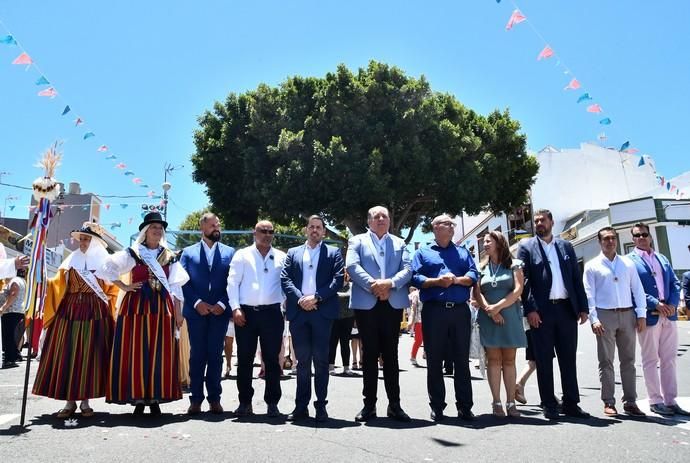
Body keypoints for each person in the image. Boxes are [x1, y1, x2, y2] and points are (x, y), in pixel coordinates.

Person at [102, 212, 189, 415]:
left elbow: (176, 287)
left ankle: (155, 397)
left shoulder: (170, 256)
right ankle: (139, 397)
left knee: (159, 351)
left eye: (160, 228)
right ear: (145, 231)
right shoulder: (133, 253)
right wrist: (124, 285)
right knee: (137, 350)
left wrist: (178, 313)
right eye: (153, 228)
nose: (157, 231)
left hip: (160, 308)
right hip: (136, 308)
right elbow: (107, 267)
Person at [32, 223, 117, 417]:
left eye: (87, 239)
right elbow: (57, 284)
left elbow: (114, 290)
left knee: (89, 355)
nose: (83, 242)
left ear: (95, 242)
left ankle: (85, 402)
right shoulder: (71, 261)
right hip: (69, 312)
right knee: (68, 353)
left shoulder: (105, 263)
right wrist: (41, 278)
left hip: (95, 313)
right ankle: (69, 402)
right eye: (81, 239)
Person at [517, 209, 590, 420]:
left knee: (568, 359)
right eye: (536, 221)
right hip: (541, 313)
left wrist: (583, 307)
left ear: (551, 222)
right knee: (543, 359)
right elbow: (525, 282)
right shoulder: (526, 247)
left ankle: (571, 403)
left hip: (566, 310)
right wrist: (530, 309)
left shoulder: (565, 246)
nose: (539, 223)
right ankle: (548, 403)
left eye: (543, 220)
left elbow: (576, 278)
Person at [346, 205, 412, 422]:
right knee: (370, 354)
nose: (381, 219)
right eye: (376, 216)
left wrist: (389, 284)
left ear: (390, 220)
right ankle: (369, 405)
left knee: (391, 355)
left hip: (392, 303)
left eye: (385, 216)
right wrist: (374, 286)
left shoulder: (400, 242)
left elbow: (408, 269)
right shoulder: (357, 241)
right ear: (369, 221)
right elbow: (353, 266)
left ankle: (395, 405)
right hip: (367, 303)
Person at [411, 214, 479, 422]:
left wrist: (456, 279)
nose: (451, 227)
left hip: (459, 310)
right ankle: (437, 406)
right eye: (447, 224)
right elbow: (415, 277)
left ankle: (465, 407)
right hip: (434, 310)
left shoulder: (462, 252)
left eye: (452, 224)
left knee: (461, 360)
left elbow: (474, 274)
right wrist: (436, 282)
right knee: (434, 360)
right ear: (435, 228)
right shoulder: (423, 252)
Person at [281, 215, 344, 422]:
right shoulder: (293, 253)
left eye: (319, 227)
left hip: (322, 313)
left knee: (321, 361)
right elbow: (285, 278)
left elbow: (337, 280)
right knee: (302, 362)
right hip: (299, 313)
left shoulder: (333, 253)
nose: (315, 230)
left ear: (324, 232)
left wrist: (316, 297)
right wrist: (301, 299)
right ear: (306, 230)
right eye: (311, 227)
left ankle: (321, 407)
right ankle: (301, 407)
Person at [583, 227, 647, 417]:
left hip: (627, 315)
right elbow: (589, 295)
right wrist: (594, 319)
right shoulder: (592, 266)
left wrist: (641, 314)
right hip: (605, 316)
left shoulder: (627, 264)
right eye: (606, 239)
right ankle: (608, 401)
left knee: (629, 361)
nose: (610, 242)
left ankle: (630, 401)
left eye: (613, 238)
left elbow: (637, 289)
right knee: (606, 361)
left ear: (617, 241)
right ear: (599, 242)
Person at [627, 223, 690, 417]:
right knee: (650, 359)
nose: (641, 238)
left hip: (668, 314)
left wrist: (671, 302)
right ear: (633, 239)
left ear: (650, 236)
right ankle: (655, 400)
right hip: (650, 315)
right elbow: (633, 287)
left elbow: (675, 282)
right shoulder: (630, 261)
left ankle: (670, 400)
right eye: (637, 235)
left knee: (669, 359)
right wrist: (655, 304)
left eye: (644, 234)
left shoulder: (662, 258)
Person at [227, 220, 286, 418]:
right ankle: (245, 402)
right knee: (244, 359)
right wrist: (235, 308)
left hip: (272, 314)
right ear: (255, 232)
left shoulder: (281, 257)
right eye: (263, 231)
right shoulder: (242, 255)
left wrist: (284, 305)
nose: (267, 234)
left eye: (271, 231)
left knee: (272, 360)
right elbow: (232, 283)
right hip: (246, 314)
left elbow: (287, 285)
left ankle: (272, 403)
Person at [180, 212, 235, 415]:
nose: (216, 228)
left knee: (215, 356)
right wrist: (196, 303)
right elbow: (183, 281)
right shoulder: (187, 253)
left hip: (220, 312)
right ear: (202, 228)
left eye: (218, 225)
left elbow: (234, 282)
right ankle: (195, 399)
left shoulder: (230, 252)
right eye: (212, 225)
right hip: (197, 313)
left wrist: (223, 303)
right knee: (197, 356)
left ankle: (215, 399)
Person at [475, 230, 527, 418]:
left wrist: (498, 307)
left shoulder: (515, 265)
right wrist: (490, 310)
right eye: (484, 242)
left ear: (499, 242)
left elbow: (518, 289)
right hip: (489, 318)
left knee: (509, 360)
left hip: (510, 317)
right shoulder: (480, 268)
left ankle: (511, 403)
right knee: (494, 360)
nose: (485, 244)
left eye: (488, 241)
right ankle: (496, 402)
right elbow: (477, 293)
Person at [329, 271, 356, 376]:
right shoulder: (334, 286)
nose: (346, 276)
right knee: (332, 343)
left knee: (345, 343)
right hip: (334, 318)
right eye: (345, 274)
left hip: (348, 318)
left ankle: (346, 367)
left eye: (348, 274)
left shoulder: (352, 286)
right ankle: (331, 366)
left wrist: (355, 320)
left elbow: (355, 302)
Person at [1, 269, 27, 369]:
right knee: (14, 335)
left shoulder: (15, 281)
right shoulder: (23, 281)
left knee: (9, 336)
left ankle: (9, 359)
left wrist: (3, 307)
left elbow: (13, 294)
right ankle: (14, 355)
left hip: (11, 311)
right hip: (18, 311)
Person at [408, 287, 423, 367]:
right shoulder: (415, 294)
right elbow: (413, 308)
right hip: (419, 320)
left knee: (430, 340)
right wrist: (411, 321)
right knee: (418, 340)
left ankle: (426, 354)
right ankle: (413, 357)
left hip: (430, 320)